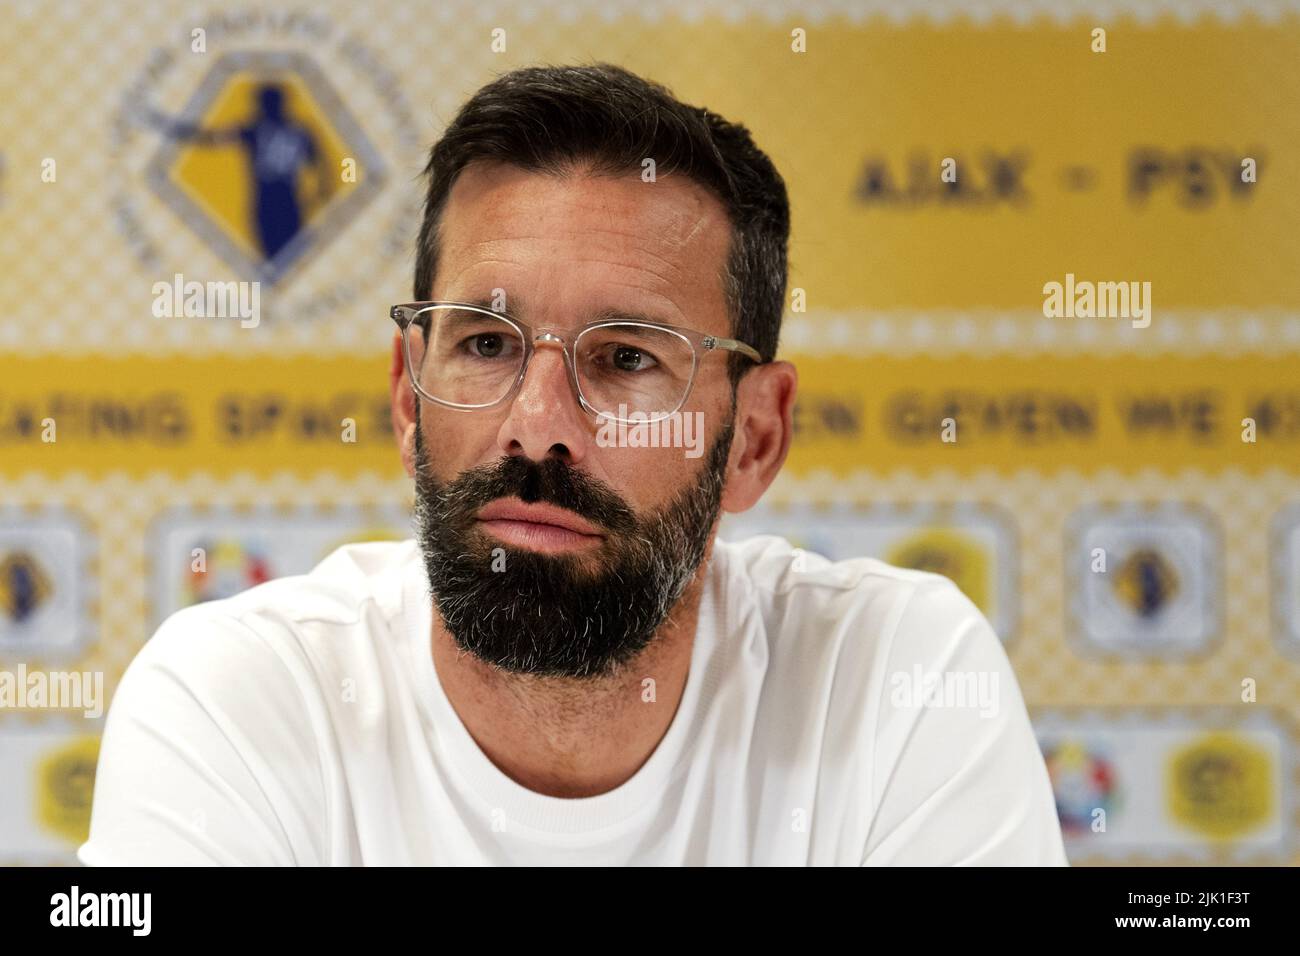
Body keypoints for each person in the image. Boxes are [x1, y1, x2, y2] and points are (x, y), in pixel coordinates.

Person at [81, 63, 1067, 865]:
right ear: (403, 394)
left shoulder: (896, 683)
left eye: (628, 357)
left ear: (754, 439)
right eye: (485, 343)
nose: (537, 426)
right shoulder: (236, 700)